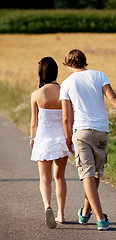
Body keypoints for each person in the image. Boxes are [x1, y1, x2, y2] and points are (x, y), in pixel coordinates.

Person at [59, 49, 116, 231]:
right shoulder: (99, 75)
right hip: (101, 132)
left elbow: (67, 117)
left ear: (67, 64)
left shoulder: (66, 84)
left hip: (81, 132)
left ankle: (100, 218)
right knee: (96, 172)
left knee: (87, 174)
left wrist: (67, 138)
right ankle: (86, 212)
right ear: (84, 61)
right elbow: (112, 97)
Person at [30, 57, 72, 229]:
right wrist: (70, 138)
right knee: (60, 177)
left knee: (45, 178)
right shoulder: (64, 91)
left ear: (41, 73)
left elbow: (34, 122)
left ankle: (48, 206)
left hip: (43, 139)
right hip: (61, 140)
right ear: (56, 72)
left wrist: (32, 138)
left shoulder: (36, 94)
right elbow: (69, 118)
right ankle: (61, 214)